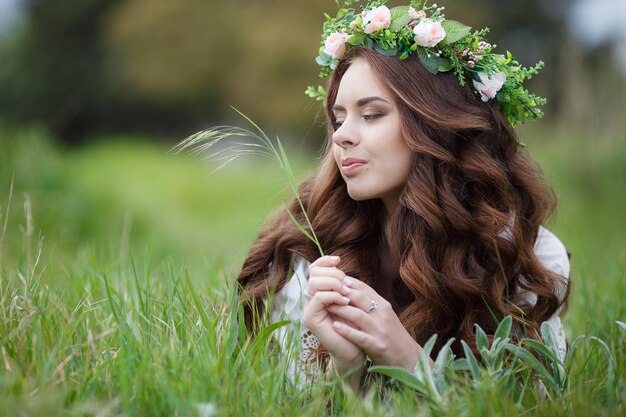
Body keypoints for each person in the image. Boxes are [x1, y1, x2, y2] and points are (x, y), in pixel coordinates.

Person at [236, 1, 570, 391]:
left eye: (371, 114)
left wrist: (406, 358)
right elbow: (291, 407)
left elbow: (534, 403)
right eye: (338, 118)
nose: (341, 135)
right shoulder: (313, 246)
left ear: (433, 123)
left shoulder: (523, 254)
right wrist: (345, 366)